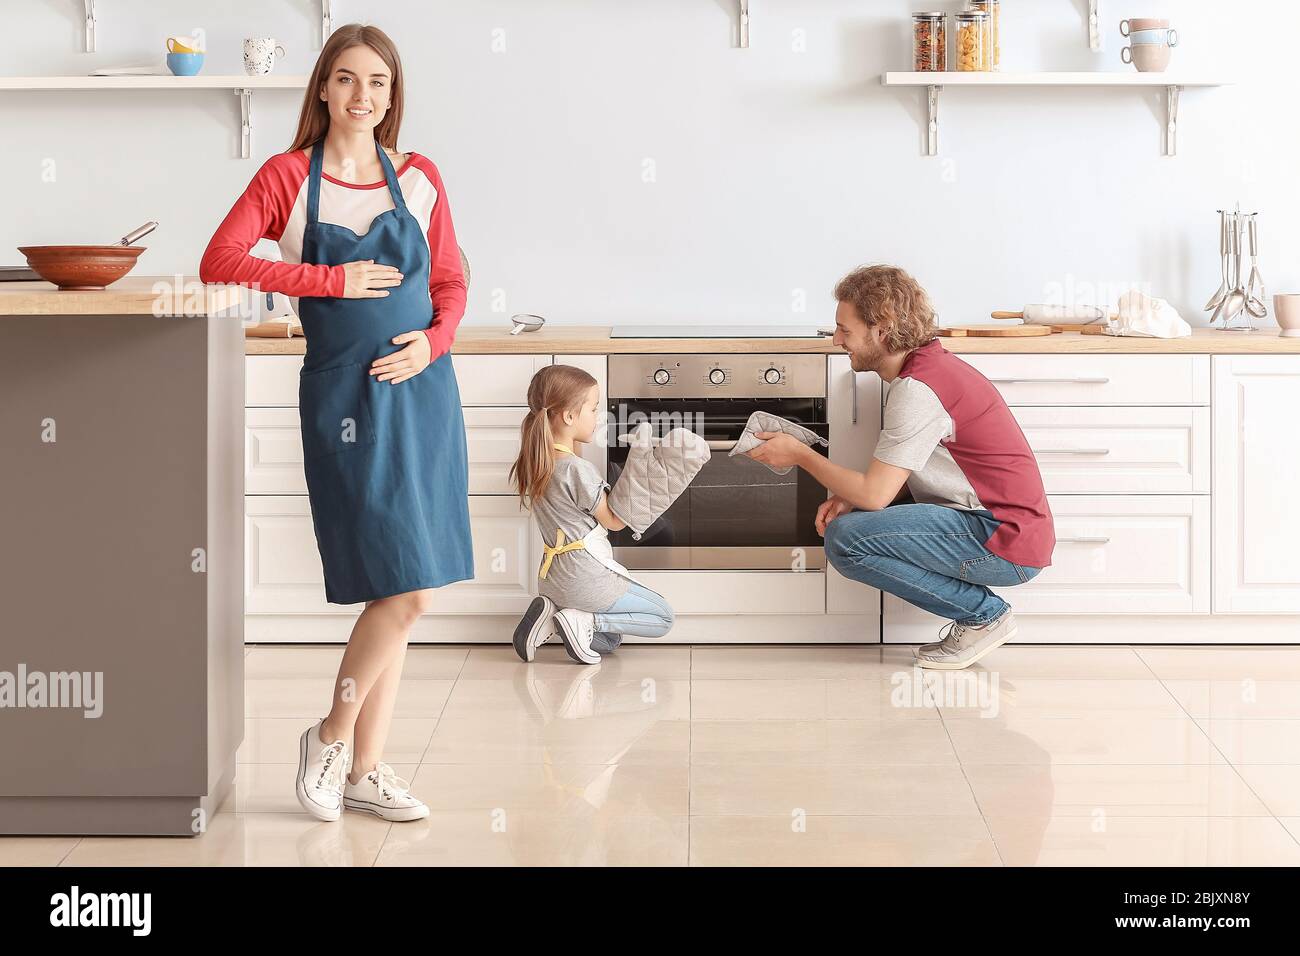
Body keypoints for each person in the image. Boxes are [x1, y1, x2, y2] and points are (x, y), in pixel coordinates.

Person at [200, 24, 472, 821]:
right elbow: (222, 260)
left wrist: (431, 342)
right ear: (323, 88)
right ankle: (330, 736)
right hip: (345, 400)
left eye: (378, 83)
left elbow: (452, 281)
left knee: (406, 586)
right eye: (347, 79)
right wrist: (328, 278)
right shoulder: (287, 176)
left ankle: (363, 767)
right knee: (404, 588)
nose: (363, 96)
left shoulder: (419, 177)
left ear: (393, 95)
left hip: (422, 389)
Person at [746, 265, 1055, 670]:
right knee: (853, 521)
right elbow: (919, 476)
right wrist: (850, 497)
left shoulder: (918, 390)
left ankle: (984, 617)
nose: (837, 341)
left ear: (882, 330)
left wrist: (802, 456)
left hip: (1003, 539)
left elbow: (876, 493)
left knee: (845, 540)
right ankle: (982, 617)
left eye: (845, 330)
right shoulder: (927, 372)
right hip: (999, 528)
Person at [508, 365, 675, 665]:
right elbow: (614, 520)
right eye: (594, 408)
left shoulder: (536, 464)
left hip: (552, 580)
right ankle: (584, 621)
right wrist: (638, 471)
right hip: (584, 580)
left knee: (609, 641)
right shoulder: (577, 470)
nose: (597, 417)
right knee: (663, 618)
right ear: (569, 416)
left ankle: (555, 617)